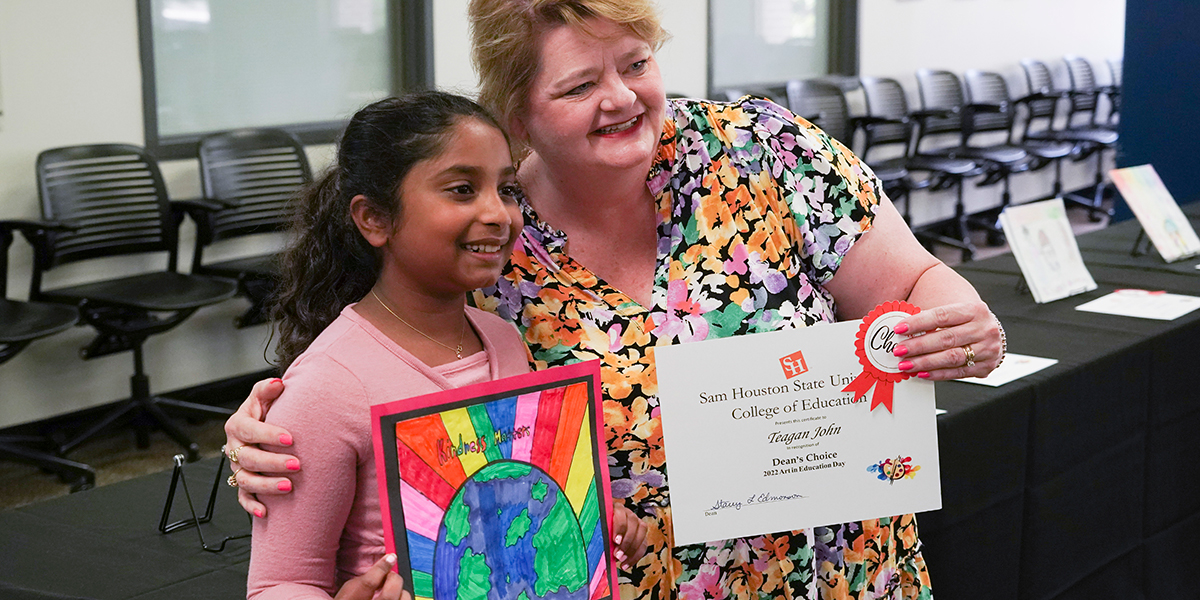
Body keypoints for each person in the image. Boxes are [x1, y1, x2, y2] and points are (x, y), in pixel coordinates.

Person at [226, 2, 1006, 599]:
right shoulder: (489, 243)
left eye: (636, 63)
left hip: (836, 569)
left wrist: (958, 316)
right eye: (579, 85)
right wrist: (272, 432)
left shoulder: (763, 153)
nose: (622, 97)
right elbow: (387, 370)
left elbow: (913, 285)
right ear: (518, 114)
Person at [245, 91, 647, 600]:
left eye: (506, 189)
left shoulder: (502, 337)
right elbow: (279, 583)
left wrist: (585, 522)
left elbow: (511, 509)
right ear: (374, 218)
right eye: (462, 190)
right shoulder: (329, 384)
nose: (498, 213)